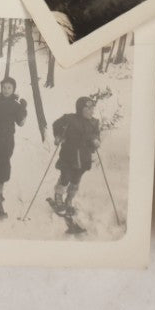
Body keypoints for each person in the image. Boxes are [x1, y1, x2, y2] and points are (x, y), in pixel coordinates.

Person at [49, 97, 101, 236]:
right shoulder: (69, 119)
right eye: (87, 108)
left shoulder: (93, 122)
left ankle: (69, 200)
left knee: (76, 180)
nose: (91, 111)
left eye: (92, 108)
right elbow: (56, 125)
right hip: (68, 154)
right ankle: (58, 197)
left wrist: (96, 141)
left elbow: (96, 134)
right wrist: (59, 136)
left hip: (83, 157)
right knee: (65, 176)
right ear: (80, 109)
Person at [0, 78, 29, 220]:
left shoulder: (15, 105)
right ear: (1, 88)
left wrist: (23, 110)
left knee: (4, 164)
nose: (6, 90)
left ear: (13, 89)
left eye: (9, 87)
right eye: (4, 87)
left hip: (7, 140)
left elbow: (20, 123)